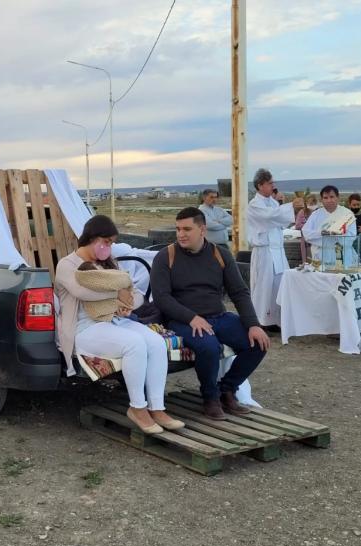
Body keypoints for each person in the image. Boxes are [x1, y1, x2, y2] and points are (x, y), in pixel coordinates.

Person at [55, 214, 183, 434]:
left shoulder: (107, 263)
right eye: (106, 242)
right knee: (134, 344)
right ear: (92, 238)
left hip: (114, 321)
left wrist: (129, 303)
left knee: (155, 343)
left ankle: (157, 407)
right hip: (84, 328)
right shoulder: (67, 265)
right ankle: (137, 408)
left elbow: (135, 293)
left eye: (111, 243)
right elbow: (84, 292)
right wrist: (119, 294)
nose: (109, 247)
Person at [151, 207, 269, 420]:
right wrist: (192, 318)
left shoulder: (220, 254)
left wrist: (253, 324)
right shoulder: (165, 256)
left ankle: (227, 389)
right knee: (208, 346)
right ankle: (210, 398)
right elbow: (162, 298)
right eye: (178, 229)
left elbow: (239, 292)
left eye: (187, 229)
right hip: (182, 320)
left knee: (258, 342)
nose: (181, 234)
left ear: (202, 230)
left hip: (217, 316)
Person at [245, 168, 304, 330]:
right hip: (264, 251)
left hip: (278, 251)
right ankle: (260, 320)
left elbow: (280, 220)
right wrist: (291, 206)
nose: (273, 186)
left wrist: (291, 208)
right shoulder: (255, 204)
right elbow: (270, 216)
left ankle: (276, 319)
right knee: (264, 287)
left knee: (279, 286)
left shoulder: (271, 202)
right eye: (270, 183)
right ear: (260, 185)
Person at [301, 185, 357, 264]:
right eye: (325, 198)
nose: (329, 200)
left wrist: (338, 234)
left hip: (342, 254)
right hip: (321, 254)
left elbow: (352, 235)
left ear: (338, 198)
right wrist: (321, 233)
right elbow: (306, 233)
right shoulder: (316, 214)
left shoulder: (347, 214)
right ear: (321, 200)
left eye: (332, 197)